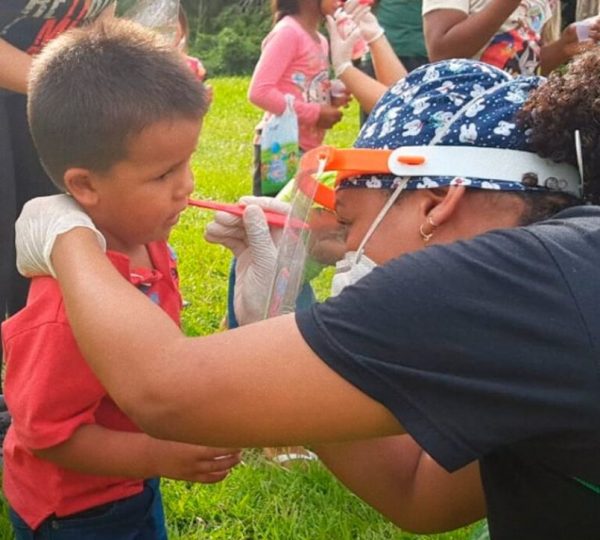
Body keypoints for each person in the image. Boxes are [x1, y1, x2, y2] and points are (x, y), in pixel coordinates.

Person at [15, 51, 600, 538]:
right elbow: (419, 495)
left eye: (351, 221)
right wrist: (275, 309)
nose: (348, 251)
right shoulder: (557, 276)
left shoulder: (514, 280)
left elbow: (167, 391)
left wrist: (66, 235)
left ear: (435, 202)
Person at [1, 20, 240, 539]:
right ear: (84, 185)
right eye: (163, 174)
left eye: (188, 162)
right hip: (74, 512)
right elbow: (46, 434)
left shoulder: (147, 237)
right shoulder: (64, 311)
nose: (188, 186)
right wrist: (161, 454)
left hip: (127, 482)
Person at [248, 0, 349, 197]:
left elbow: (303, 86)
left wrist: (330, 95)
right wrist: (315, 114)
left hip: (308, 149)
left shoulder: (321, 40)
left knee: (296, 221)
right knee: (273, 218)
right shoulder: (288, 33)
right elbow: (260, 91)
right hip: (280, 148)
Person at [422, 0, 600, 75]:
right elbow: (442, 52)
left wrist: (564, 46)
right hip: (461, 111)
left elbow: (526, 67)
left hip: (515, 112)